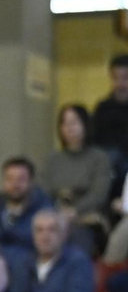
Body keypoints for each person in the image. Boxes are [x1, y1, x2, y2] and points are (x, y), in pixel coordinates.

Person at [41, 104, 114, 253]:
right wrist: (56, 211)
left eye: (74, 122)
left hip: (86, 218)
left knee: (76, 240)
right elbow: (42, 190)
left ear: (85, 125)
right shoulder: (53, 159)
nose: (69, 128)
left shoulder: (99, 158)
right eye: (65, 123)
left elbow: (98, 194)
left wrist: (75, 210)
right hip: (55, 215)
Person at [0, 156, 53, 258]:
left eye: (21, 179)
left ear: (31, 181)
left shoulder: (45, 209)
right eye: (9, 179)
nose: (15, 184)